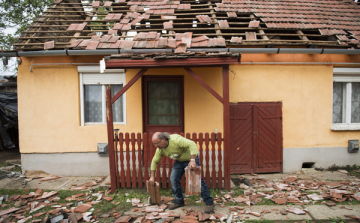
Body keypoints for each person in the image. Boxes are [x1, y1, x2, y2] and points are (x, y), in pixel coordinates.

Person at [149, 132, 215, 214]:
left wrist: (193, 160)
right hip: (179, 161)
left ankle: (209, 203)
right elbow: (154, 161)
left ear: (163, 139)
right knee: (173, 179)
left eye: (156, 143)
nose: (156, 146)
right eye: (154, 144)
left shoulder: (176, 140)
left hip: (190, 159)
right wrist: (152, 176)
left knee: (197, 181)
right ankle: (179, 200)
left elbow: (192, 144)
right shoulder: (160, 149)